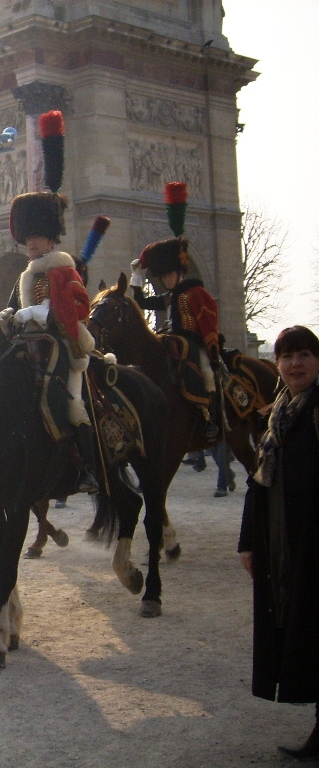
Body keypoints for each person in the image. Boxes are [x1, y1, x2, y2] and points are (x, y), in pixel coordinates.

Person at [0, 111, 98, 493]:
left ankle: (86, 465)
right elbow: (16, 306)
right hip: (31, 344)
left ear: (52, 239)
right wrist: (9, 315)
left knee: (72, 400)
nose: (33, 244)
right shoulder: (27, 274)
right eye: (28, 239)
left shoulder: (63, 270)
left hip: (64, 344)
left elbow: (75, 309)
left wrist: (33, 312)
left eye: (38, 237)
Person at [238, 325, 319, 760]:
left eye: (305, 355)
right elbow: (259, 483)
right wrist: (248, 542)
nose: (295, 364)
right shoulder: (277, 416)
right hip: (286, 539)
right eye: (287, 357)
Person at [130, 181, 222, 441]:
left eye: (170, 274)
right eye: (164, 275)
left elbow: (208, 319)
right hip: (172, 339)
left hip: (195, 343)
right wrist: (137, 277)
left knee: (204, 372)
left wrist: (212, 346)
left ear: (180, 272)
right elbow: (143, 303)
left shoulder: (195, 293)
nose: (167, 279)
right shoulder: (171, 296)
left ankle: (210, 417)